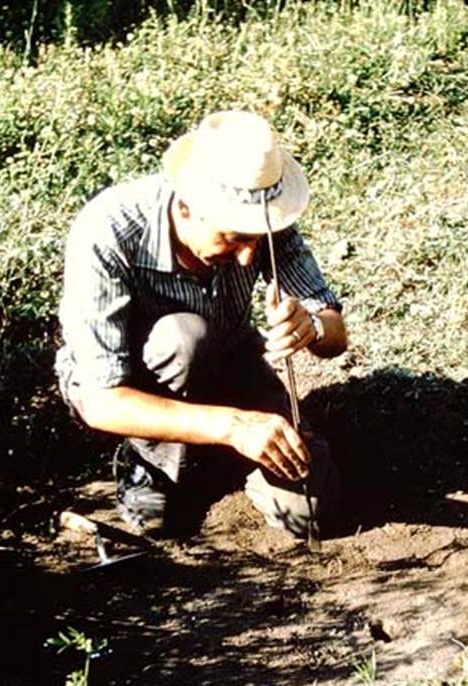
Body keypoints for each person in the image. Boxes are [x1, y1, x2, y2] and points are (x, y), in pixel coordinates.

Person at [56, 109, 348, 538]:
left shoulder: (263, 213)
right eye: (233, 237)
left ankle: (216, 452)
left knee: (309, 514)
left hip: (230, 357)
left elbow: (334, 332)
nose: (249, 256)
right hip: (140, 380)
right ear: (187, 208)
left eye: (255, 240)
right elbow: (98, 400)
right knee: (182, 341)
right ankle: (152, 459)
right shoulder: (108, 232)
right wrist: (234, 426)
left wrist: (313, 326)